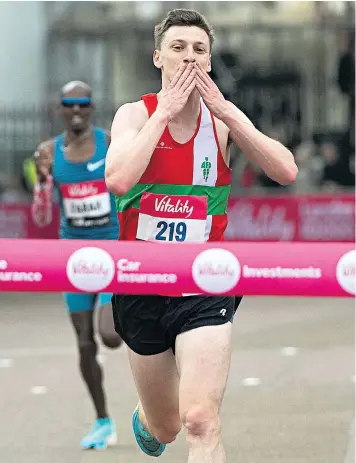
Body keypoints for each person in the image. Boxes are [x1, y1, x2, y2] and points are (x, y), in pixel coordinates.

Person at [106, 9, 298, 463]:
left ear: (209, 62)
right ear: (158, 58)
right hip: (141, 284)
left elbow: (286, 170)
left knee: (200, 421)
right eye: (178, 48)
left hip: (203, 281)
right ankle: (149, 418)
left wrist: (229, 112)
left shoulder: (221, 123)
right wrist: (165, 113)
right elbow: (118, 179)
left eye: (199, 50)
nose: (189, 58)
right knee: (167, 426)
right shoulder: (134, 115)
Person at [31, 80, 122, 450]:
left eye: (82, 103)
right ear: (60, 110)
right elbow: (40, 217)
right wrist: (41, 181)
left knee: (111, 337)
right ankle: (103, 421)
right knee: (85, 344)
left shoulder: (110, 143)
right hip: (74, 257)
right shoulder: (47, 152)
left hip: (114, 250)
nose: (76, 109)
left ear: (91, 107)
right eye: (69, 103)